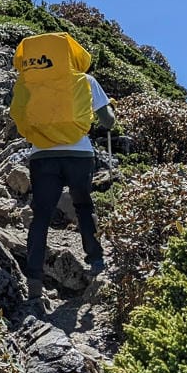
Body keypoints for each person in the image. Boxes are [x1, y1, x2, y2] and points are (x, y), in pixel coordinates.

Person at [23, 73, 115, 301]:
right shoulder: (86, 80)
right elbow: (108, 121)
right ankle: (95, 260)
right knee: (83, 205)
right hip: (79, 154)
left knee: (41, 215)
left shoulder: (33, 80)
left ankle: (33, 281)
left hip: (42, 154)